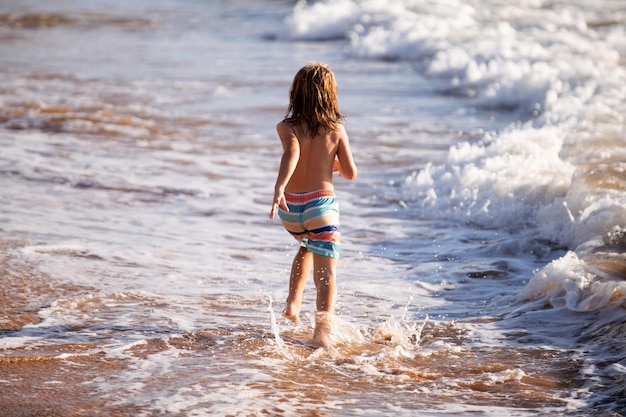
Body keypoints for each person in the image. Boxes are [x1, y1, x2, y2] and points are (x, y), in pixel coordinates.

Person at [269, 62, 357, 348]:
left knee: (306, 245)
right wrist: (330, 165)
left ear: (296, 94)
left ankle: (293, 303)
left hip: (291, 210)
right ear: (331, 95)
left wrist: (280, 186)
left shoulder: (286, 126)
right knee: (327, 273)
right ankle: (322, 332)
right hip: (321, 206)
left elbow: (293, 152)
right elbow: (351, 172)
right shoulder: (336, 130)